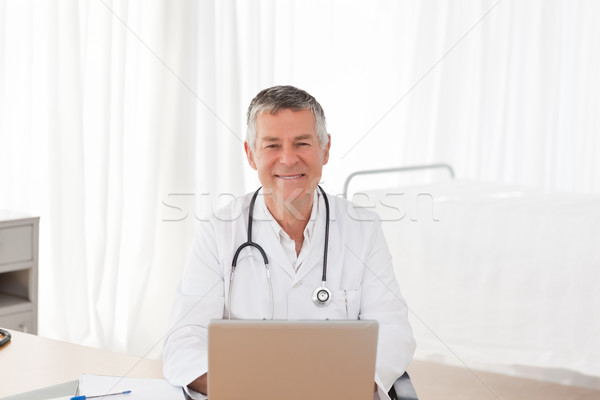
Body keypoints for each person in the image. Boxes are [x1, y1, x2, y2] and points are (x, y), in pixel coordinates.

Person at [163, 85, 416, 400]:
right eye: (272, 145)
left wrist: (343, 388)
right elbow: (183, 341)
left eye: (302, 143)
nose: (288, 159)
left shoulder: (363, 229)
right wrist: (251, 391)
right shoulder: (218, 232)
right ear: (251, 154)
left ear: (325, 149)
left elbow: (394, 332)